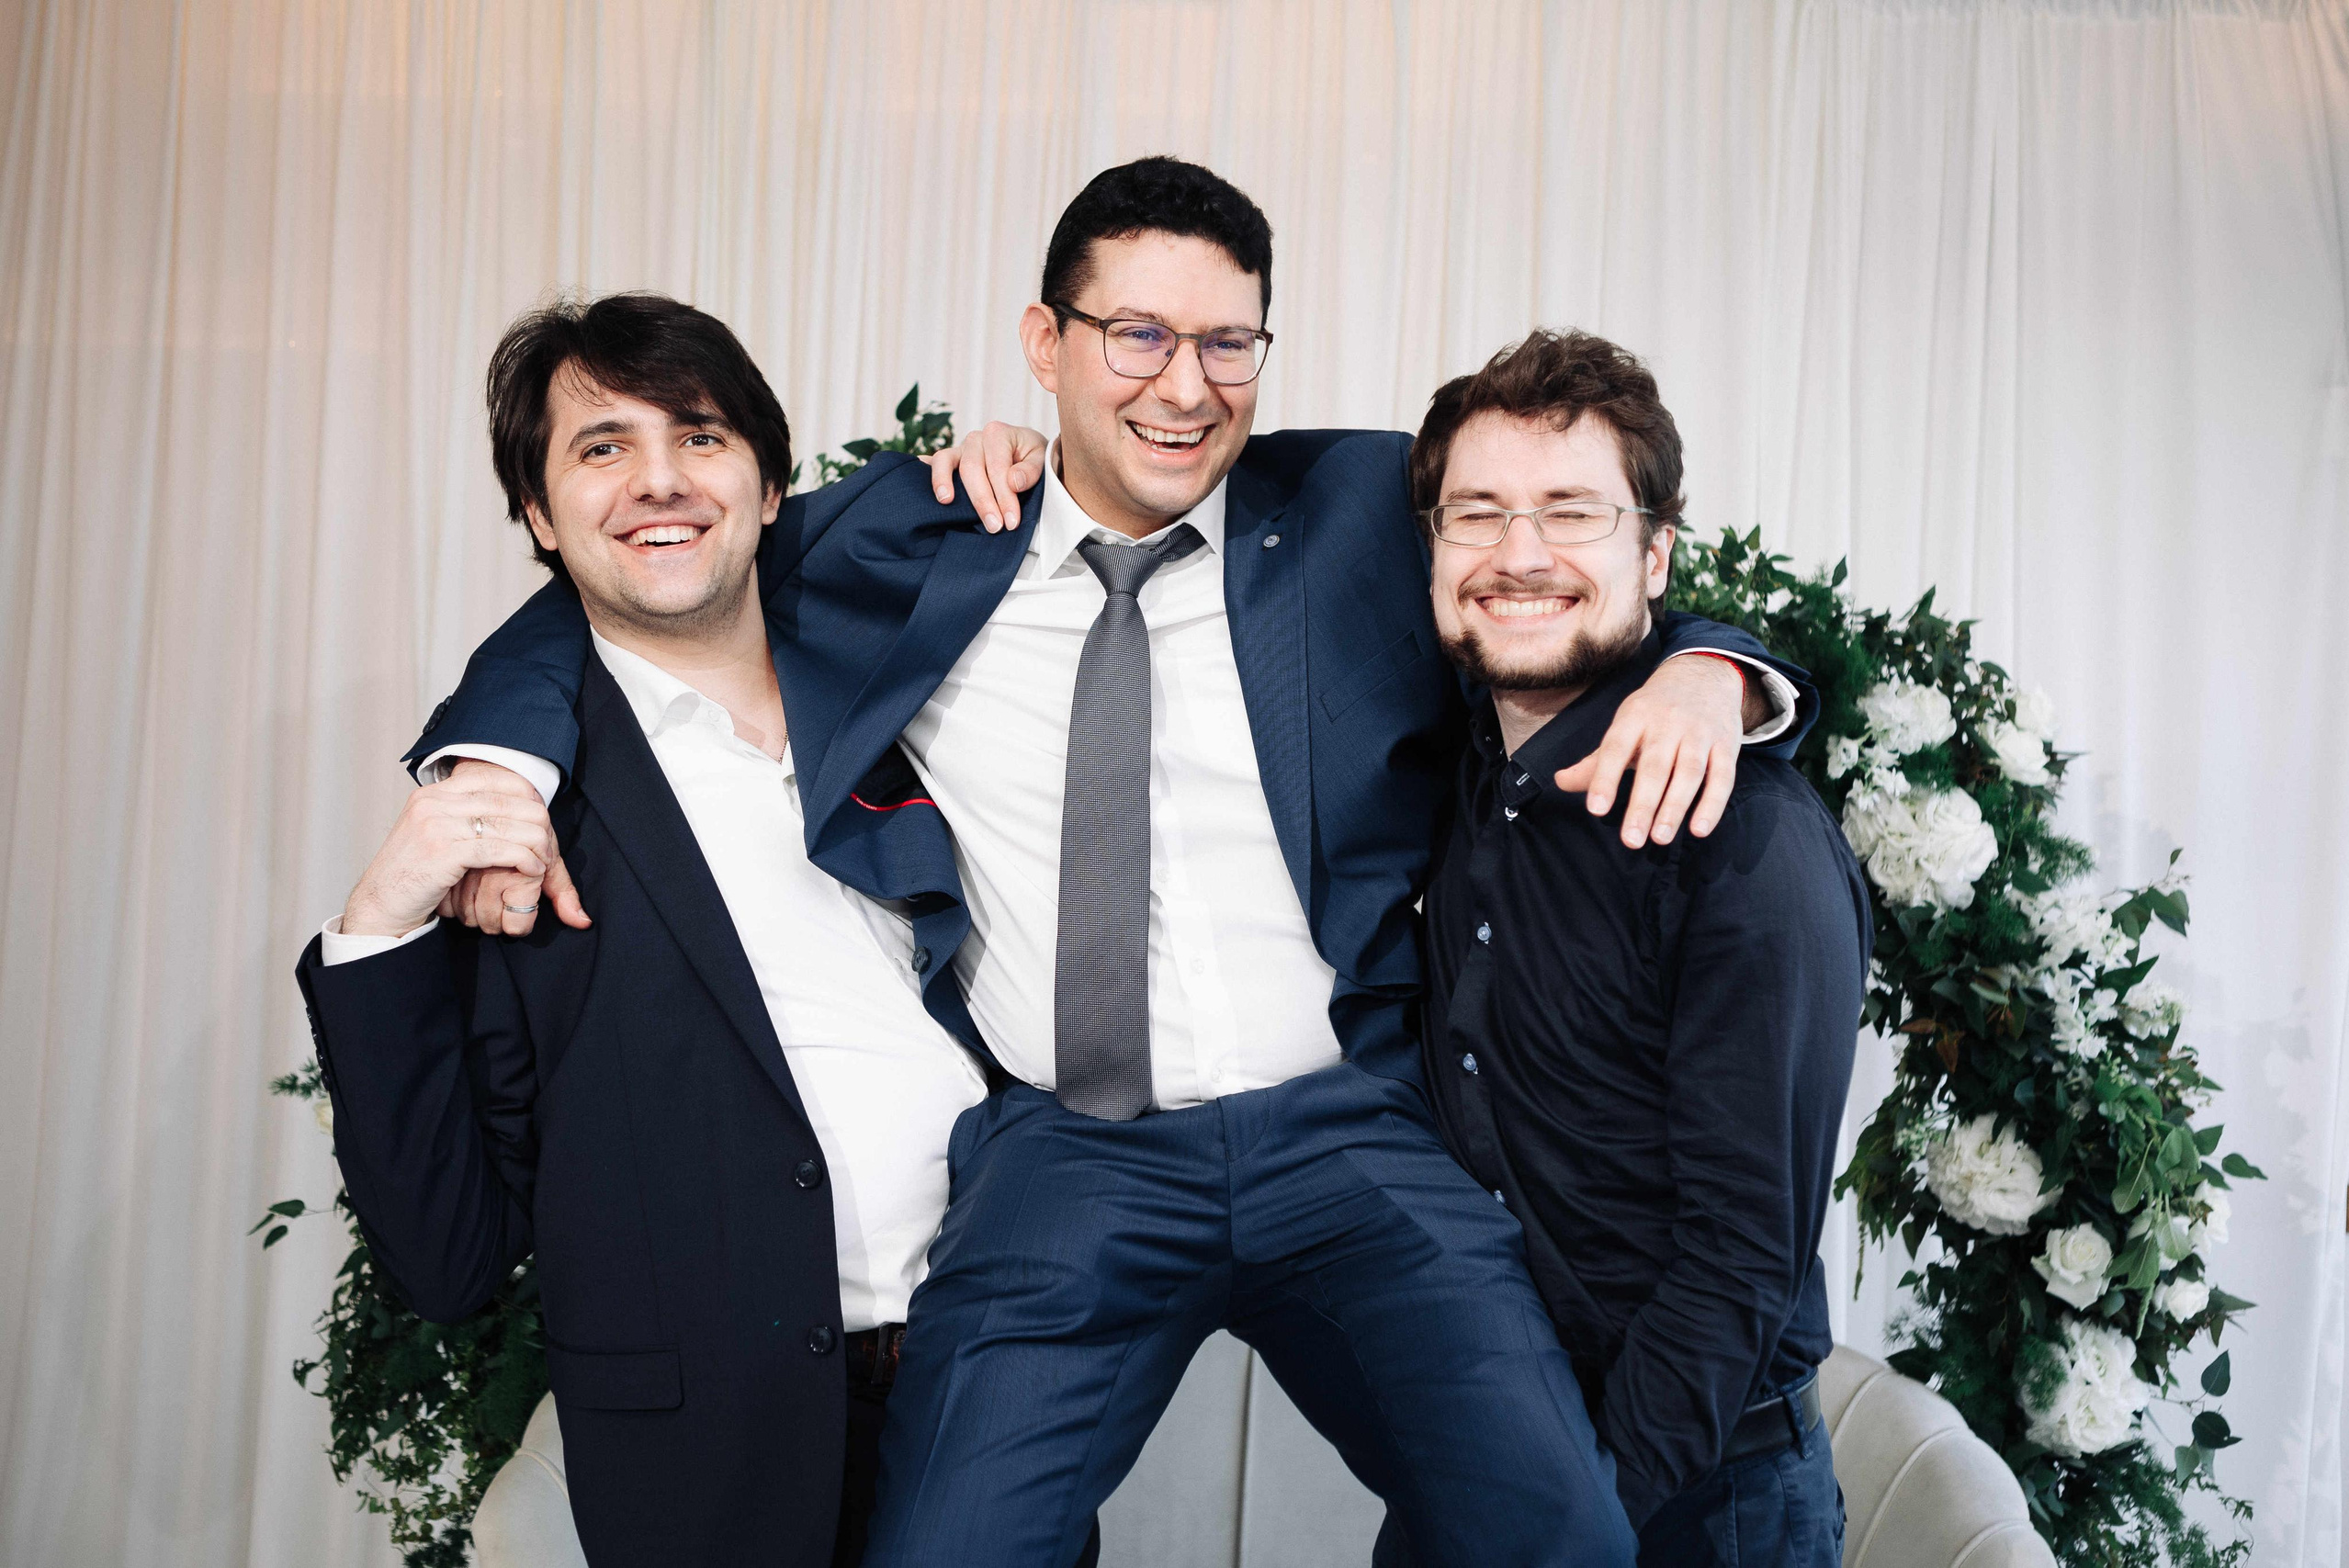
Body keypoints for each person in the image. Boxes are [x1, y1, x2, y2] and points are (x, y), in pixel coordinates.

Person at [411, 159, 1819, 1567]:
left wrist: (1716, 671)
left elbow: (1559, 567)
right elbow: (636, 572)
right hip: (1071, 1148)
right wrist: (494, 760)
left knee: (1555, 1529)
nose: (1184, 387)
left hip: (1343, 1127)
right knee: (947, 1553)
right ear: (1048, 342)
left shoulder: (1354, 513)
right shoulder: (918, 537)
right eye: (1137, 335)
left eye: (1226, 343)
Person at [294, 295, 1074, 1568]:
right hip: (712, 1456)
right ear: (541, 517)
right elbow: (447, 1260)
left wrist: (1022, 460)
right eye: (601, 447)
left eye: (699, 436)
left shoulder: (906, 688)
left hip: (990, 1393)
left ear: (770, 488)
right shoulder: (521, 823)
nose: (659, 479)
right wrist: (378, 925)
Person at [1400, 328, 1869, 1566]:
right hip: (1481, 1459)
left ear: (1654, 555)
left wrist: (1577, 1524)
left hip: (1696, 1496)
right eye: (1477, 515)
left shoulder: (1748, 840)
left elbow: (1739, 1259)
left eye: (1573, 514)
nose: (1519, 555)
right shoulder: (1448, 760)